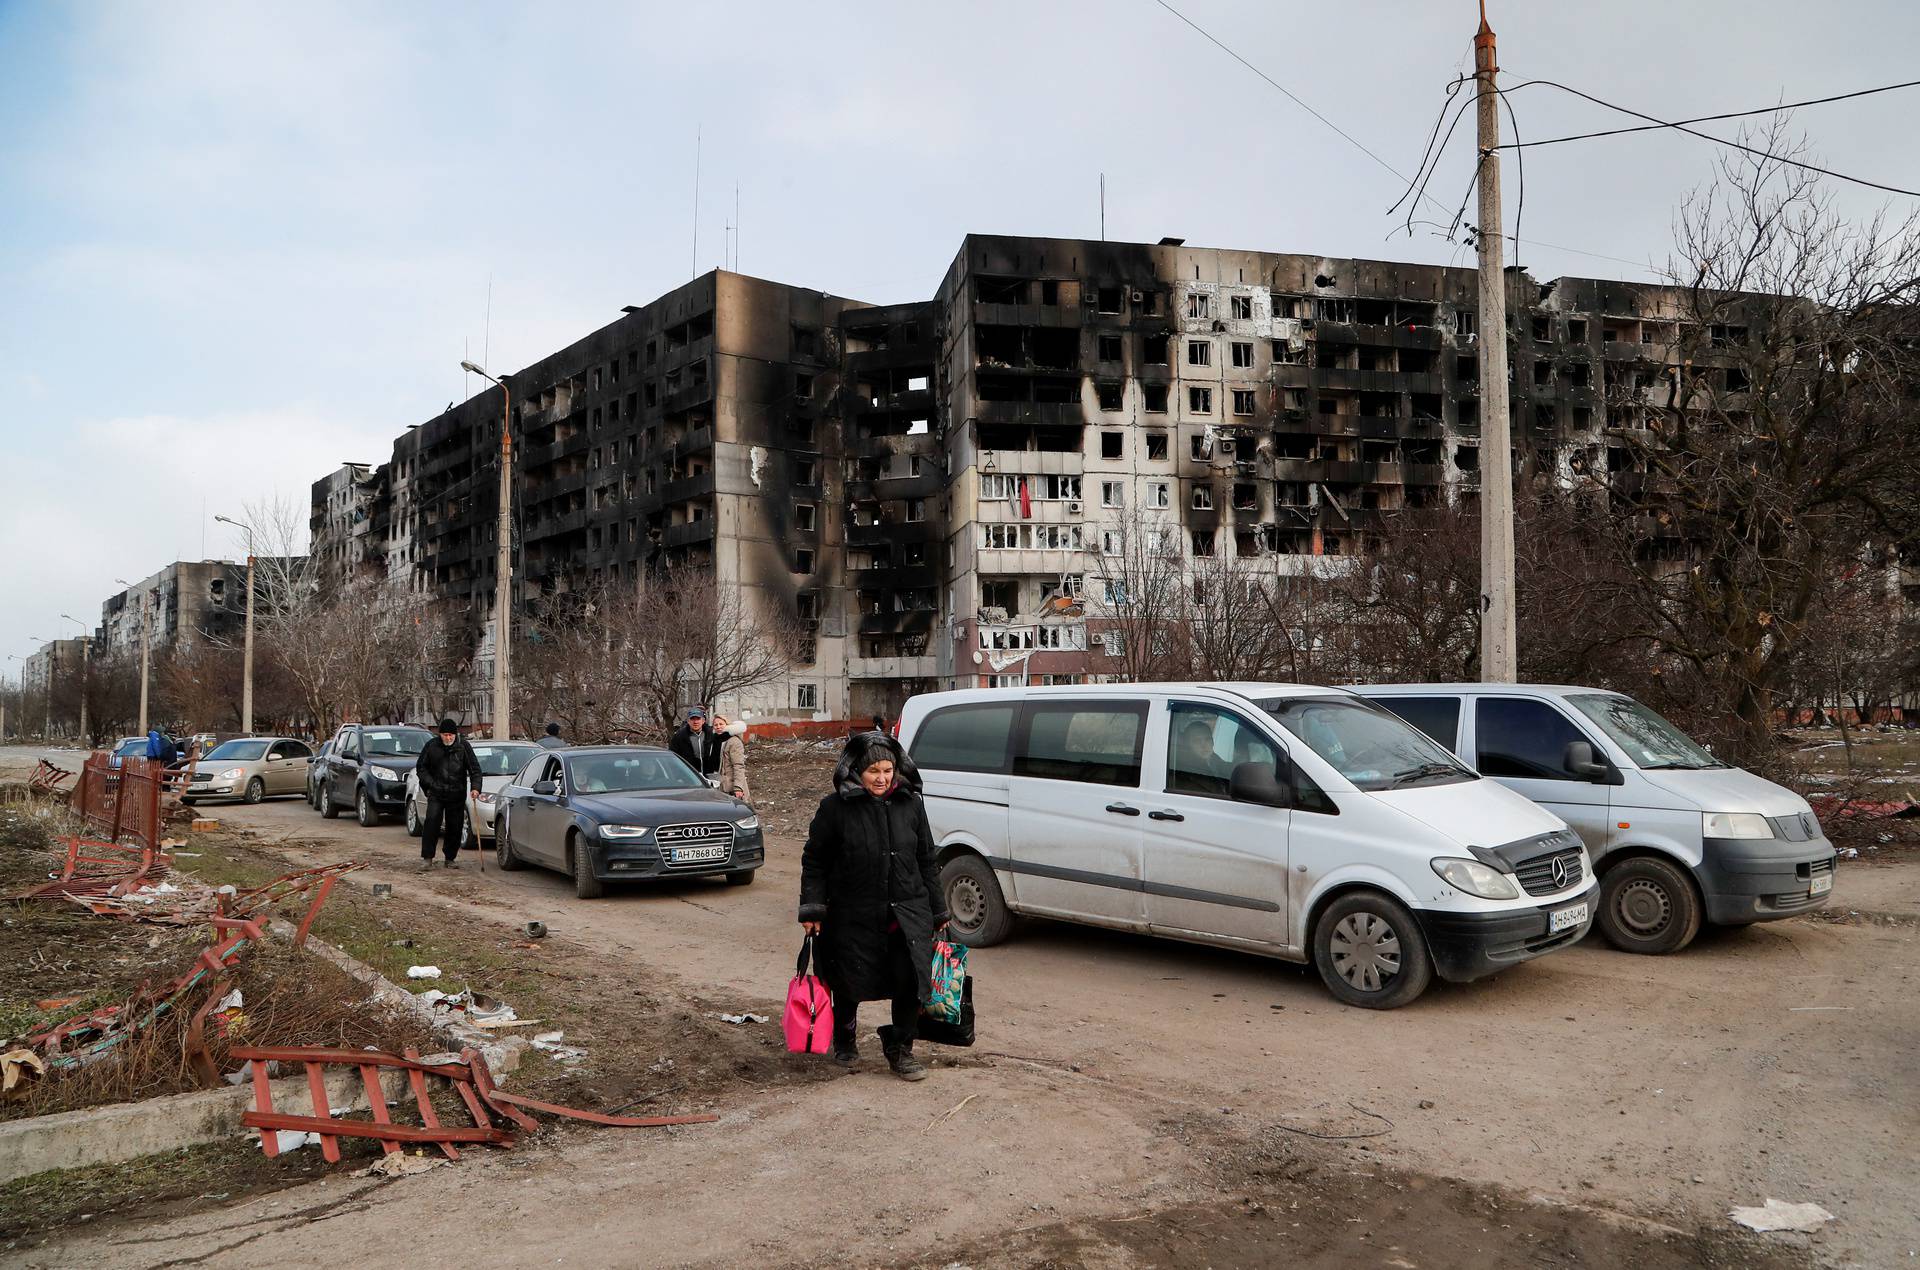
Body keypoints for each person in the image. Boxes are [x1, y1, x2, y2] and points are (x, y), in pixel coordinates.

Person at [798, 732, 949, 1081]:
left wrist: (939, 911)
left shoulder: (910, 804)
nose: (882, 778)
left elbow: (927, 859)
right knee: (849, 981)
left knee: (911, 981)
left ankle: (901, 1049)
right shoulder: (834, 809)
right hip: (852, 913)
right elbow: (815, 860)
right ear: (855, 772)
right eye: (873, 772)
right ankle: (845, 1039)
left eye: (888, 770)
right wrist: (812, 909)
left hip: (906, 912)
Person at [415, 718, 482, 871]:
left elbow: (475, 770)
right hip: (436, 793)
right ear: (440, 734)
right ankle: (427, 858)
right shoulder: (431, 746)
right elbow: (421, 768)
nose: (448, 738)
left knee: (455, 826)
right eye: (445, 735)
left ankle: (450, 858)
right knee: (431, 823)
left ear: (455, 734)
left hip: (456, 793)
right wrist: (431, 784)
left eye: (451, 735)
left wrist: (476, 787)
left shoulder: (463, 747)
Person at [668, 705, 722, 780]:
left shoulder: (711, 734)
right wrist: (677, 776)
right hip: (688, 778)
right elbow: (673, 758)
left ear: (703, 721)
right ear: (688, 721)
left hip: (709, 777)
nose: (695, 722)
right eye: (692, 719)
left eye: (698, 719)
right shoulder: (679, 737)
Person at [712, 713, 749, 801]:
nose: (718, 726)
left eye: (721, 724)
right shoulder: (714, 741)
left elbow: (738, 765)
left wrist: (738, 787)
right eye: (715, 725)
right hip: (718, 785)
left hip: (731, 788)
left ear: (727, 725)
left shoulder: (733, 741)